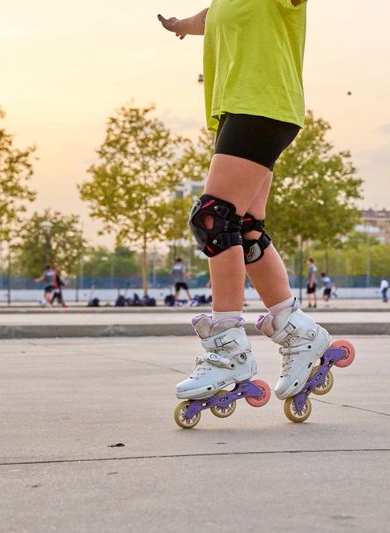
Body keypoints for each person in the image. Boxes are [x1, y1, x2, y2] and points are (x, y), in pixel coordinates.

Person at [159, 2, 338, 409]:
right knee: (245, 227)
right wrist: (182, 25)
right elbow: (213, 16)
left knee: (213, 217)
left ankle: (227, 351)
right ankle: (298, 332)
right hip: (241, 109)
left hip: (264, 104)